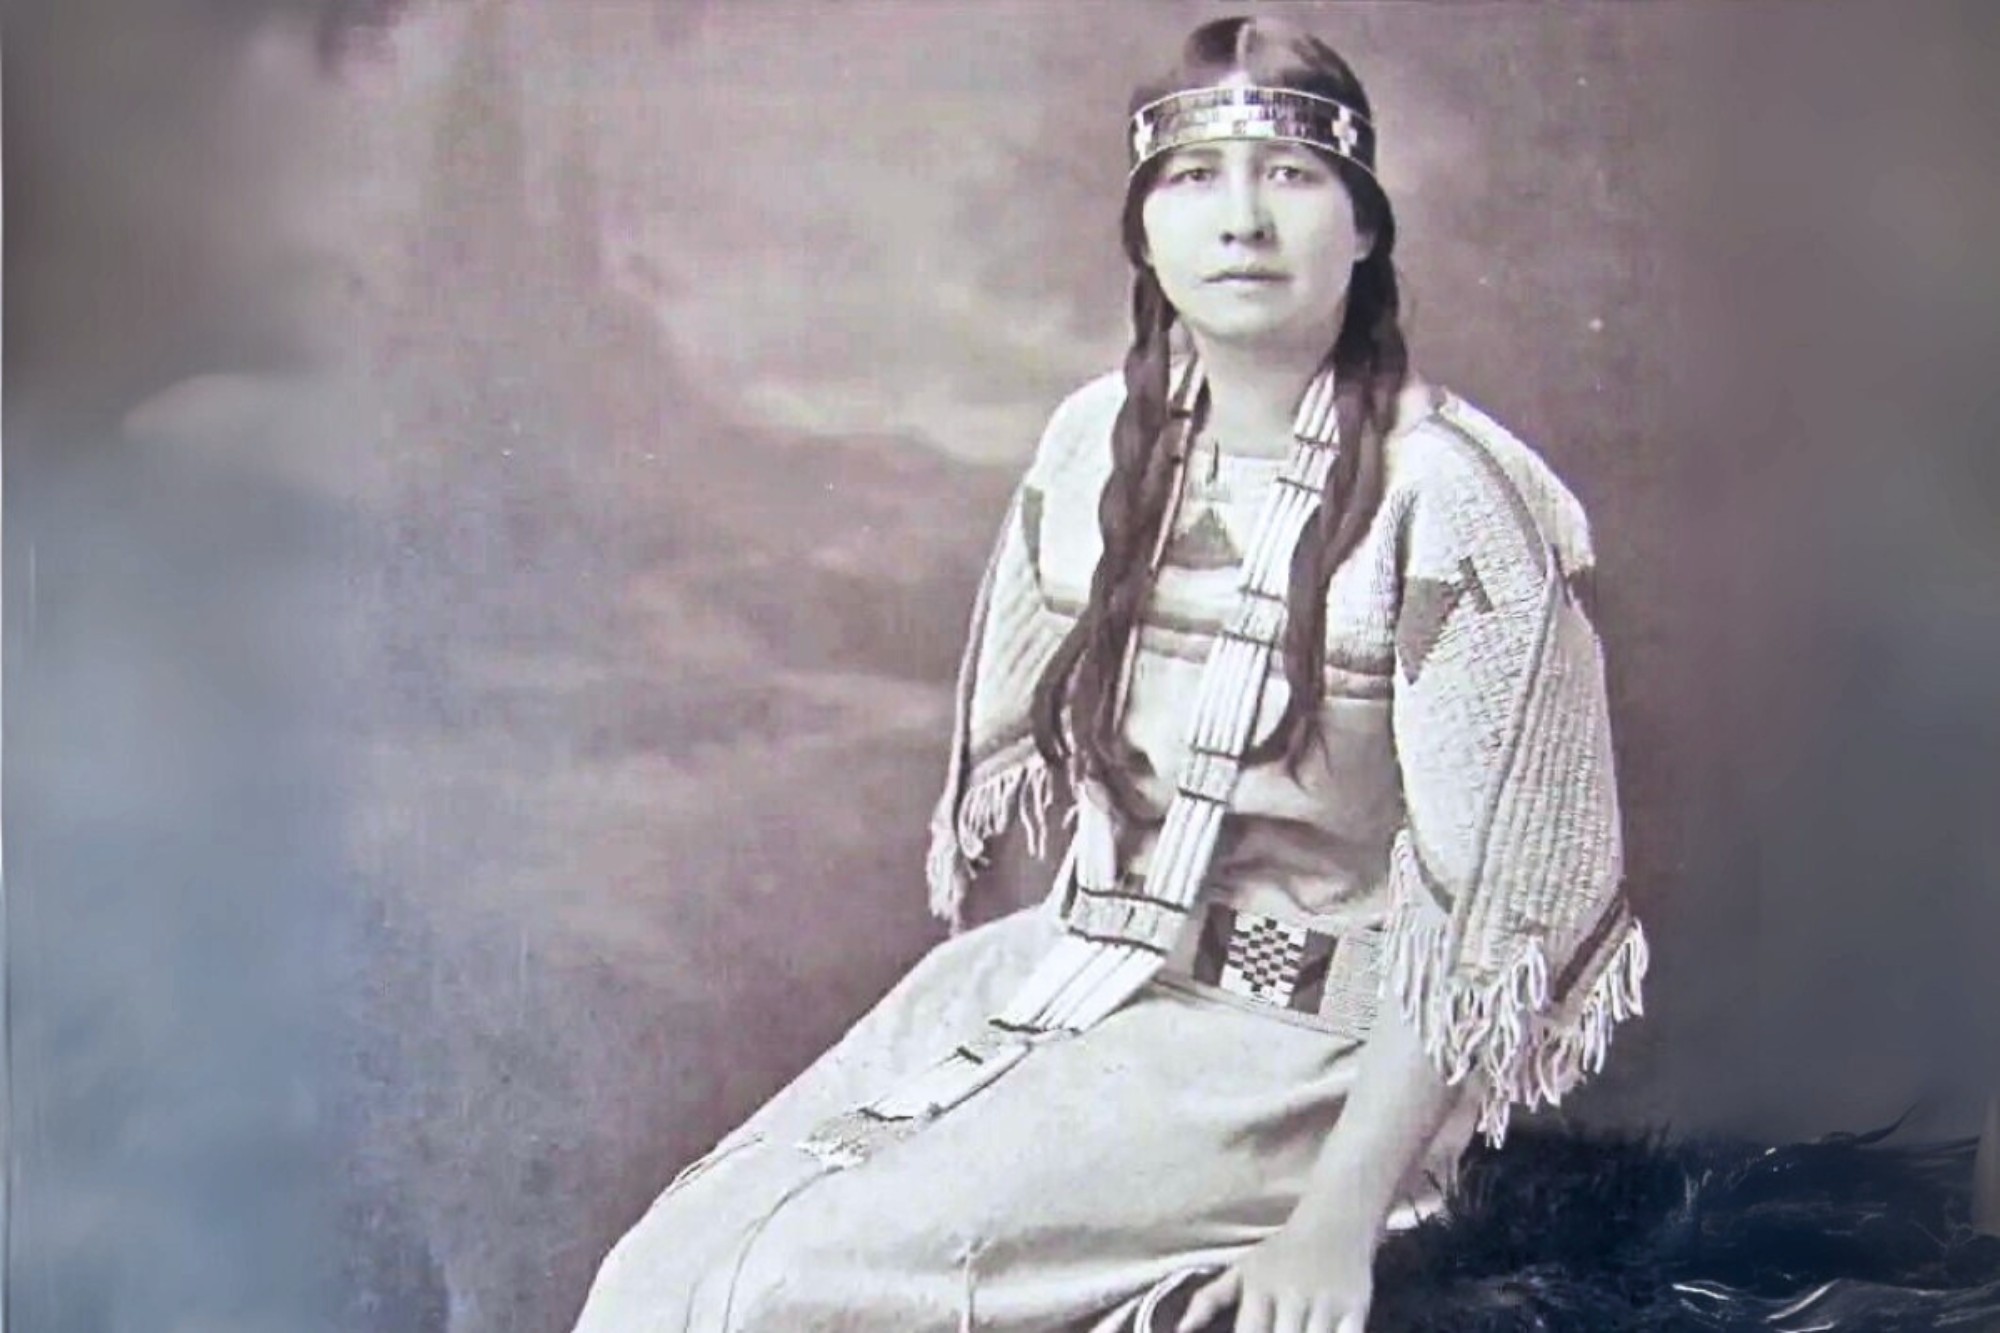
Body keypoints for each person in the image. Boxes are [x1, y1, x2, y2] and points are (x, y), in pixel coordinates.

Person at [570, 15, 1647, 1333]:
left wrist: (1334, 1220)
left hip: (1298, 1065)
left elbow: (1470, 929)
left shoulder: (1453, 501)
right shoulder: (1097, 443)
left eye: (1294, 177)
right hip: (1079, 977)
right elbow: (1072, 789)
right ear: (1143, 230)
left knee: (789, 1293)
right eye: (1195, 179)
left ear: (1365, 229)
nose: (1243, 220)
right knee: (667, 1273)